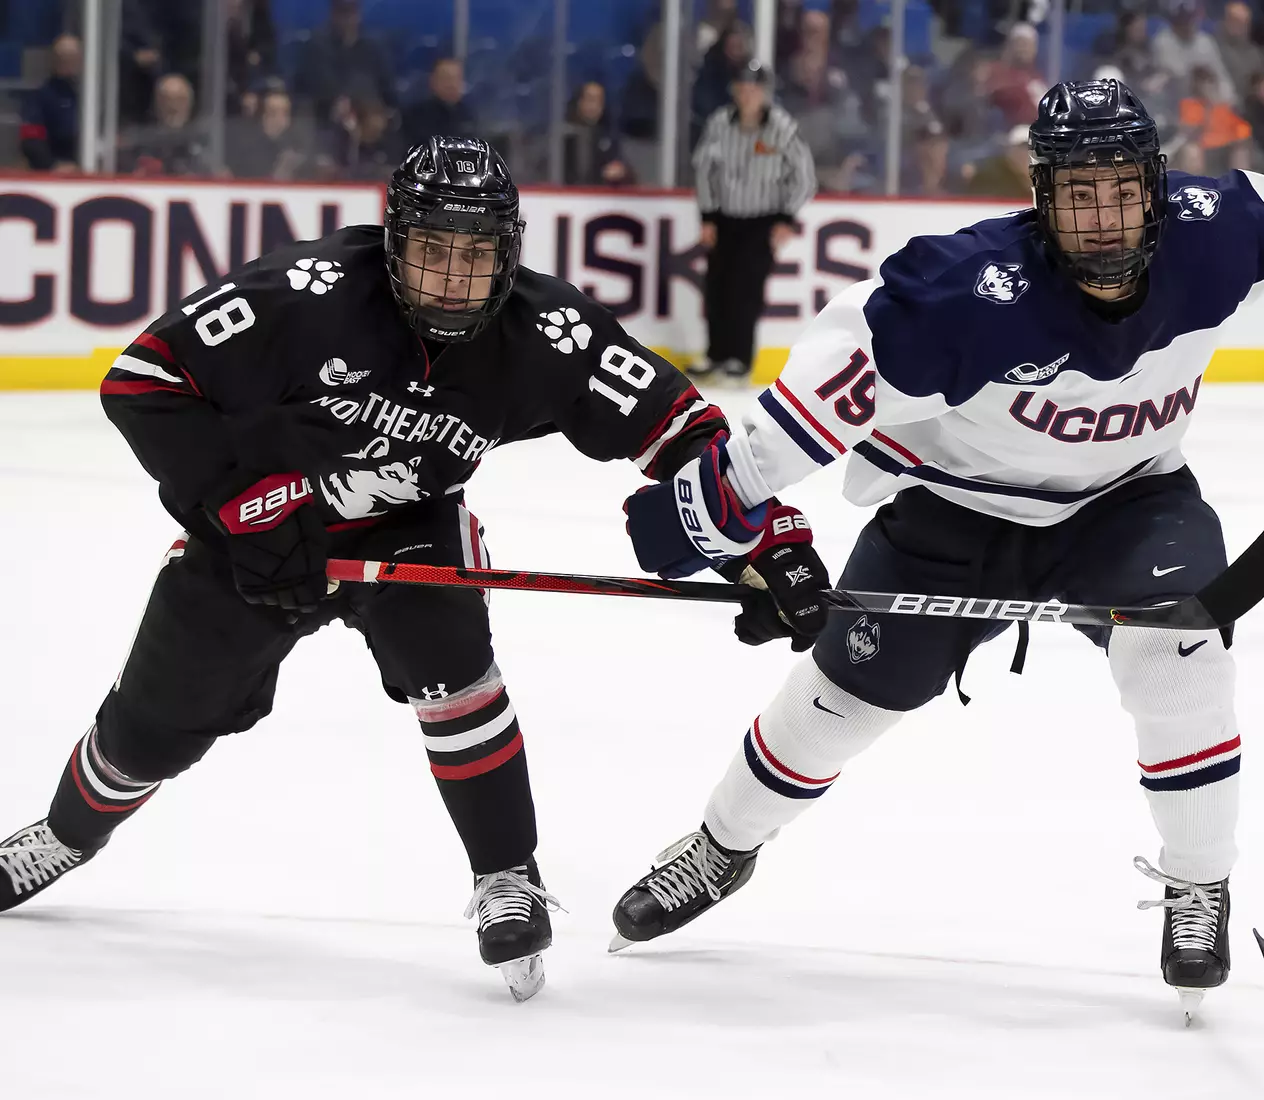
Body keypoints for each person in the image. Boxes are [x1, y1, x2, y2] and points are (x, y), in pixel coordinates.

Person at [606, 80, 1264, 1015]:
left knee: (1179, 652)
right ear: (1041, 196)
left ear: (1153, 186)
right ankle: (720, 846)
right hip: (953, 515)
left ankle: (1198, 884)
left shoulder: (1217, 227)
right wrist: (716, 500)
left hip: (1131, 503)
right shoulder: (958, 297)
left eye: (1119, 190)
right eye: (1076, 194)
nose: (1102, 220)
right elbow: (811, 413)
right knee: (839, 704)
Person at [0, 137, 831, 1002]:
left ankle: (506, 875)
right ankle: (65, 833)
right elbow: (142, 379)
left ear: (510, 253)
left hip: (408, 528)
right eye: (431, 252)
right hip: (255, 524)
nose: (450, 280)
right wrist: (248, 508)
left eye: (474, 257)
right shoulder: (305, 291)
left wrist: (765, 539)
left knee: (457, 677)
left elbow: (682, 428)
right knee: (152, 724)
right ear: (392, 241)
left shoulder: (547, 331)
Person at [691, 60, 816, 380]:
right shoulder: (720, 123)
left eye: (753, 89)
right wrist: (707, 215)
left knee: (746, 289)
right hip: (725, 219)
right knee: (717, 287)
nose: (747, 95)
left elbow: (803, 177)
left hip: (762, 220)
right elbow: (705, 169)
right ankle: (715, 354)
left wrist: (786, 217)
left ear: (764, 92)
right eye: (742, 88)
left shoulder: (782, 128)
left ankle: (739, 359)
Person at [19, 33, 81, 173]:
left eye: (73, 56)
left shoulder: (91, 95)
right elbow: (31, 140)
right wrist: (53, 166)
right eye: (63, 57)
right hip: (55, 173)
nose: (68, 62)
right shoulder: (41, 96)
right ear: (54, 59)